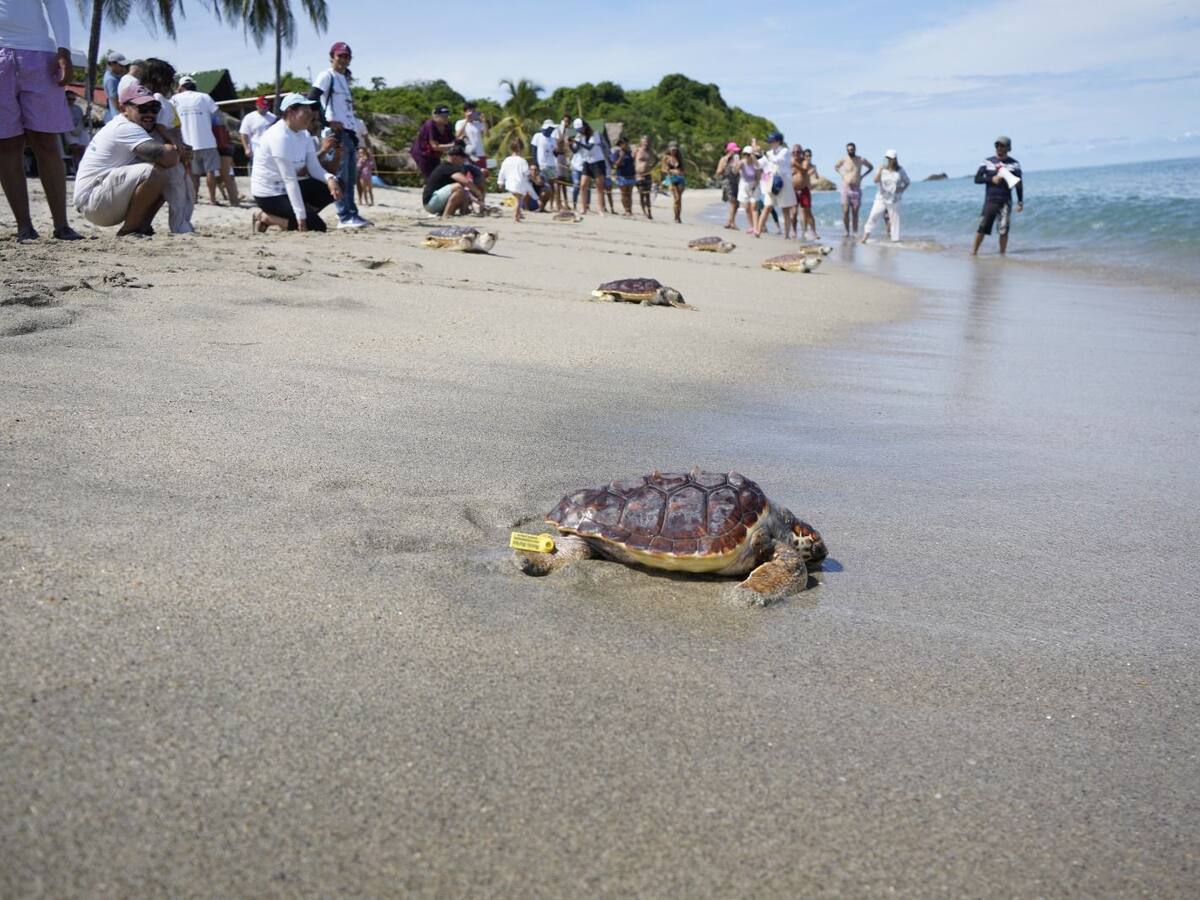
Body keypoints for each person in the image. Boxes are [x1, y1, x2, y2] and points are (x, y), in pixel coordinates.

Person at [0, 0, 82, 241]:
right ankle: (24, 226)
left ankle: (61, 225)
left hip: (39, 53)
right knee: (6, 143)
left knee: (46, 141)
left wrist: (63, 50)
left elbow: (56, 5)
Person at [72, 84, 179, 236]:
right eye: (142, 108)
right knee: (155, 172)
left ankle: (142, 227)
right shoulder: (126, 127)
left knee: (165, 174)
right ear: (123, 108)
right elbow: (169, 158)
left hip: (99, 199)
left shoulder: (130, 125)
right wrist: (174, 143)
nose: (150, 113)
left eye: (154, 108)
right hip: (93, 202)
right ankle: (130, 230)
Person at [249, 93, 342, 233]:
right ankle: (266, 217)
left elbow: (314, 167)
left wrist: (330, 179)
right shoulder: (278, 136)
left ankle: (297, 215)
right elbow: (289, 180)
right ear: (290, 112)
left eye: (311, 111)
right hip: (270, 194)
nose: (310, 115)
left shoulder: (304, 134)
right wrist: (301, 216)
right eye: (305, 111)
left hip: (292, 186)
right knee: (317, 227)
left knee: (338, 185)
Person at [307, 41, 370, 228]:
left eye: (347, 56)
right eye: (340, 55)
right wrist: (326, 121)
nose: (343, 59)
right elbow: (312, 97)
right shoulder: (327, 76)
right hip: (336, 132)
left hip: (348, 132)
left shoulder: (343, 78)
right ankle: (344, 216)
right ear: (332, 56)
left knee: (351, 178)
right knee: (341, 176)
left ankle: (352, 214)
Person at [139, 56, 194, 233]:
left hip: (175, 152)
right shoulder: (158, 99)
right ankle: (180, 227)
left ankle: (182, 224)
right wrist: (178, 146)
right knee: (178, 193)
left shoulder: (165, 101)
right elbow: (162, 127)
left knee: (185, 192)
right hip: (171, 154)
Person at [173, 74, 222, 205]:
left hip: (187, 143)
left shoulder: (175, 99)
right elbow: (218, 115)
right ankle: (212, 199)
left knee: (193, 173)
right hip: (207, 141)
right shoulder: (204, 96)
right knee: (210, 171)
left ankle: (194, 199)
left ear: (180, 86)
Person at [973, 136, 1024, 256]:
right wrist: (991, 179)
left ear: (1008, 148)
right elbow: (977, 179)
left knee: (1004, 230)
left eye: (1002, 145)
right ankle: (973, 253)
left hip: (1006, 201)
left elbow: (1018, 184)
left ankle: (1002, 255)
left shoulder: (1014, 164)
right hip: (991, 200)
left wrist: (1020, 202)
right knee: (983, 227)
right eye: (997, 145)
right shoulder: (987, 161)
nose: (999, 148)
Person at [861, 149, 910, 243]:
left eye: (890, 159)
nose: (888, 160)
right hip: (881, 198)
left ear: (895, 159)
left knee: (895, 221)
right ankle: (865, 238)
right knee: (873, 216)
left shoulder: (900, 170)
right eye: (886, 158)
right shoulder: (882, 169)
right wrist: (880, 169)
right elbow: (875, 180)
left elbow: (907, 182)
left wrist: (901, 190)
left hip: (895, 199)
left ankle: (895, 240)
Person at [422, 143, 480, 217]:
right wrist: (478, 193)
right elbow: (466, 182)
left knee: (464, 192)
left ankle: (465, 212)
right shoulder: (447, 167)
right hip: (431, 202)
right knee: (458, 187)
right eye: (462, 158)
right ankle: (446, 214)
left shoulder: (450, 167)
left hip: (437, 200)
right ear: (455, 157)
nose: (463, 161)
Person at [755, 132, 796, 237]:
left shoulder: (785, 151)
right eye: (769, 142)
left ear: (778, 141)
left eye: (772, 141)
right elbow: (758, 165)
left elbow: (777, 160)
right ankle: (758, 231)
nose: (770, 144)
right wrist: (754, 156)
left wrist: (763, 154)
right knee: (767, 206)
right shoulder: (768, 153)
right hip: (771, 182)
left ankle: (786, 235)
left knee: (785, 208)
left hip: (784, 182)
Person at [833, 141, 873, 236]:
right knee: (846, 211)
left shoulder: (861, 159)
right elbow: (836, 167)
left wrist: (862, 176)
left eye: (852, 149)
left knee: (855, 212)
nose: (850, 151)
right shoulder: (844, 159)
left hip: (856, 189)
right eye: (848, 149)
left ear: (855, 149)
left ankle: (855, 232)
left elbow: (871, 167)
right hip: (846, 189)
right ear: (847, 150)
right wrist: (842, 174)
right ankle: (846, 231)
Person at [573, 118, 609, 216]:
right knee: (583, 185)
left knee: (599, 186)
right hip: (587, 162)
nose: (580, 131)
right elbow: (575, 151)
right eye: (578, 130)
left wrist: (578, 142)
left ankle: (600, 209)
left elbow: (590, 147)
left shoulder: (594, 134)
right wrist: (570, 144)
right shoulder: (579, 136)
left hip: (597, 161)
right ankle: (583, 208)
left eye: (581, 129)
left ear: (585, 126)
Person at [410, 104, 455, 179]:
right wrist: (452, 145)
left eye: (448, 115)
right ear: (436, 116)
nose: (447, 117)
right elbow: (435, 146)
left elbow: (453, 139)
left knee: (438, 176)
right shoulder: (430, 124)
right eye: (444, 115)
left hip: (435, 155)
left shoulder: (447, 126)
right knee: (432, 178)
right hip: (423, 154)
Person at [497, 138, 535, 223]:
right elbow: (526, 173)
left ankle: (518, 214)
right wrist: (534, 179)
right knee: (519, 200)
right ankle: (516, 217)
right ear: (521, 148)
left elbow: (502, 172)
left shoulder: (507, 160)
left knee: (518, 199)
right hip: (519, 183)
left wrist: (500, 183)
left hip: (509, 183)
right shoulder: (522, 161)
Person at [530, 117, 564, 211]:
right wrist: (535, 164)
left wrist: (558, 150)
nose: (552, 130)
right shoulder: (537, 136)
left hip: (551, 165)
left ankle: (552, 206)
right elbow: (533, 150)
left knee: (553, 186)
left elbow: (555, 154)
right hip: (541, 165)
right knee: (542, 185)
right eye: (551, 128)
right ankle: (541, 205)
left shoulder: (553, 139)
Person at [238, 95, 276, 175]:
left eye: (266, 107)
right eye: (262, 106)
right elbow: (243, 133)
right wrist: (246, 148)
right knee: (257, 174)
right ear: (257, 106)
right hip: (256, 151)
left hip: (271, 151)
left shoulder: (273, 117)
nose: (264, 109)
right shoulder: (249, 117)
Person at [455, 101, 488, 182]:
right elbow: (457, 135)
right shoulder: (460, 122)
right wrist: (466, 120)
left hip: (480, 154)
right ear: (465, 112)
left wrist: (484, 121)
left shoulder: (478, 124)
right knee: (468, 178)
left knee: (481, 177)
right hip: (468, 154)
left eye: (474, 111)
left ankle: (480, 194)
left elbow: (487, 134)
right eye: (470, 111)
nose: (472, 113)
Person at [212, 111, 240, 206]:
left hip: (218, 146)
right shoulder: (223, 117)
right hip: (227, 146)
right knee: (228, 175)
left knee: (217, 175)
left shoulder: (213, 117)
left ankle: (225, 196)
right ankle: (234, 199)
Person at [795, 147, 820, 240]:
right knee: (801, 212)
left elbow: (816, 177)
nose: (808, 157)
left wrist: (814, 172)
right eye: (806, 156)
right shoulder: (801, 165)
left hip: (806, 190)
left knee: (808, 211)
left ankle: (813, 231)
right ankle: (804, 231)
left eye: (809, 156)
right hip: (799, 189)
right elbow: (801, 174)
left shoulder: (813, 166)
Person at [715, 141, 740, 229]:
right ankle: (731, 222)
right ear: (729, 151)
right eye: (734, 151)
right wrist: (725, 165)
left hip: (736, 183)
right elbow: (718, 172)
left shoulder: (737, 159)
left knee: (736, 204)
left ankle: (729, 222)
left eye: (736, 151)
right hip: (727, 182)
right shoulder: (723, 159)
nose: (736, 152)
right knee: (733, 202)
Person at [62, 90, 88, 172]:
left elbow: (81, 120)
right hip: (67, 130)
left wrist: (87, 114)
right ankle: (76, 166)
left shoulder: (78, 108)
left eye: (73, 99)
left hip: (79, 129)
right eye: (69, 99)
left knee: (83, 147)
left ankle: (82, 166)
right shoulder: (61, 108)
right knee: (75, 147)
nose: (71, 101)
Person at [737, 147, 761, 235]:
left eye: (749, 154)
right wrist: (737, 165)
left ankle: (756, 228)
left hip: (754, 184)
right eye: (745, 154)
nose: (747, 156)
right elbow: (735, 172)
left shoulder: (756, 164)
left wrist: (753, 188)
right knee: (747, 207)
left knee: (754, 206)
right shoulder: (742, 162)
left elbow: (758, 177)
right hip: (744, 185)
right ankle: (751, 226)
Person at [611, 136, 637, 216]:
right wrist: (621, 156)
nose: (627, 145)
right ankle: (626, 209)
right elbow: (615, 164)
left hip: (631, 175)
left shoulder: (629, 152)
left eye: (627, 143)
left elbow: (632, 162)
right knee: (624, 193)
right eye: (625, 143)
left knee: (629, 193)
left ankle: (630, 209)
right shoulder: (616, 152)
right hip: (621, 175)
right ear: (621, 144)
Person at [662, 141, 685, 223]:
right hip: (671, 178)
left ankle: (678, 216)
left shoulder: (680, 157)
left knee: (679, 198)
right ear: (669, 149)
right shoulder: (666, 157)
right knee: (676, 198)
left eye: (675, 150)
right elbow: (663, 169)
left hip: (680, 178)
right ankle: (676, 216)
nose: (674, 151)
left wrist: (680, 172)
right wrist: (672, 171)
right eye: (672, 150)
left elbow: (683, 169)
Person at [633, 135, 655, 219]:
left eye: (648, 142)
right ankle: (644, 212)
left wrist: (652, 166)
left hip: (647, 174)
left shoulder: (650, 151)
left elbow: (657, 159)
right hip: (638, 175)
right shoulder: (637, 150)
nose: (646, 143)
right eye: (645, 142)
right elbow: (632, 160)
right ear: (641, 142)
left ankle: (649, 212)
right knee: (641, 194)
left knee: (648, 195)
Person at [103, 51, 127, 122]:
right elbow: (115, 100)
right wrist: (124, 114)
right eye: (121, 65)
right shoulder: (111, 79)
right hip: (115, 117)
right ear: (112, 64)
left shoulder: (111, 75)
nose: (123, 68)